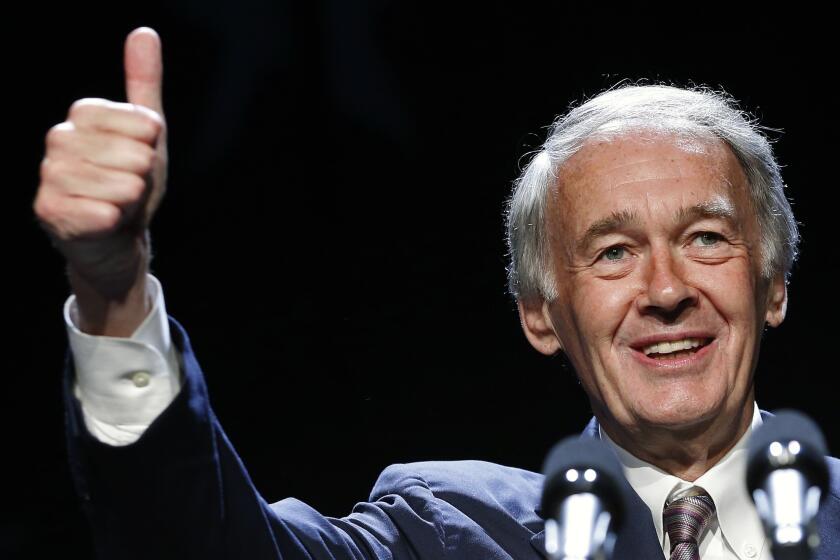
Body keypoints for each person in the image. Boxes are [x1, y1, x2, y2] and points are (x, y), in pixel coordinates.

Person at [35, 27, 839, 559]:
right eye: (614, 252)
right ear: (540, 315)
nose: (665, 290)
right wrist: (114, 294)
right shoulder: (448, 533)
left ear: (772, 283)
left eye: (705, 238)